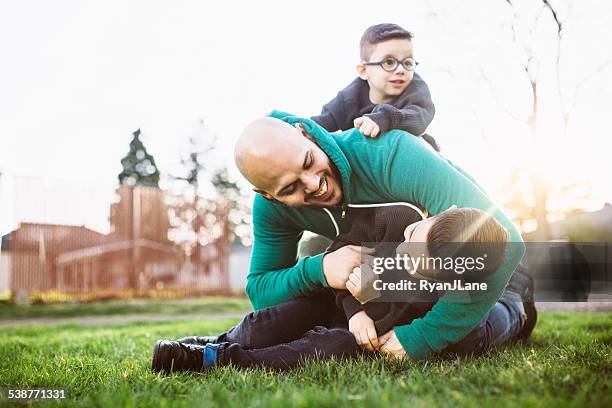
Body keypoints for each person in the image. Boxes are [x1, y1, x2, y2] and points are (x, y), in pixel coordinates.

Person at [151, 111, 535, 370]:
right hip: (393, 286)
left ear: (305, 135)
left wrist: (425, 335)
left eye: (307, 164)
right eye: (291, 188)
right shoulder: (269, 209)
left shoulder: (392, 155)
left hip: (483, 262)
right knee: (307, 308)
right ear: (265, 194)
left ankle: (518, 309)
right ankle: (209, 349)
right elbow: (262, 292)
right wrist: (321, 269)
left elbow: (507, 244)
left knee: (465, 338)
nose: (314, 184)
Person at [151, 205, 514, 373]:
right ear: (436, 213)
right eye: (412, 242)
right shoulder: (395, 218)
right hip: (336, 305)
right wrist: (355, 309)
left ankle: (216, 359)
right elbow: (339, 258)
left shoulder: (447, 289)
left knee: (334, 346)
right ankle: (210, 342)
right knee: (265, 325)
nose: (403, 255)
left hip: (359, 334)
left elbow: (404, 323)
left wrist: (371, 314)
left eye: (420, 265)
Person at [311, 23, 440, 151]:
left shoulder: (415, 87)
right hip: (369, 160)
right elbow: (320, 124)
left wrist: (386, 118)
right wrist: (301, 128)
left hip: (414, 153)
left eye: (407, 62)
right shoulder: (349, 98)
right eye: (389, 62)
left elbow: (421, 116)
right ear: (363, 71)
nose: (401, 70)